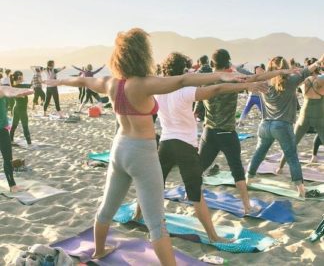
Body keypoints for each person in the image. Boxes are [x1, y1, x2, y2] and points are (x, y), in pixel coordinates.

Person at [45, 28, 250, 264]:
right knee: (156, 223)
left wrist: (58, 80)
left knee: (106, 208)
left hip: (119, 148)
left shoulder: (110, 83)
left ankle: (99, 251)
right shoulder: (144, 84)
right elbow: (183, 80)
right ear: (143, 55)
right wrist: (220, 76)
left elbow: (81, 80)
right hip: (142, 152)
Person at [135, 52, 267, 242]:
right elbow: (217, 89)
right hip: (185, 146)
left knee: (154, 186)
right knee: (195, 194)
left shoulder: (158, 91)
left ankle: (137, 216)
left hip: (165, 143)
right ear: (183, 71)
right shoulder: (186, 91)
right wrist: (247, 85)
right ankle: (213, 236)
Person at [198, 49, 299, 211]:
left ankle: (189, 196)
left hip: (209, 132)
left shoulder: (205, 80)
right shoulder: (234, 79)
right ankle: (246, 206)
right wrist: (282, 71)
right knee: (237, 172)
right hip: (227, 133)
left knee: (198, 169)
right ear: (228, 63)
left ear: (212, 64)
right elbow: (258, 77)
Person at [246, 55, 324, 197]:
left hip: (265, 125)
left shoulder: (264, 82)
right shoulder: (290, 81)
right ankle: (301, 189)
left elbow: (249, 78)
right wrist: (319, 61)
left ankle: (248, 179)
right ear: (286, 69)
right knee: (292, 156)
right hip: (282, 125)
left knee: (259, 153)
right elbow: (308, 70)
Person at [276, 56, 324, 171]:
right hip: (319, 115)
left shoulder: (303, 81)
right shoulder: (321, 80)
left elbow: (292, 76)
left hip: (304, 114)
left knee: (292, 142)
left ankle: (280, 167)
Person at [0, 85, 33, 192]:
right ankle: (12, 186)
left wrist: (20, 91)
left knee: (8, 158)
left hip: (3, 129)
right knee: (7, 158)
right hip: (2, 130)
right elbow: (8, 91)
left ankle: (12, 186)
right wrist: (18, 92)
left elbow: (9, 90)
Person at [9, 71, 33, 145]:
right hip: (21, 109)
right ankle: (29, 143)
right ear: (19, 77)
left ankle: (10, 139)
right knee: (25, 126)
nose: (23, 77)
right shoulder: (21, 86)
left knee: (14, 125)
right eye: (22, 76)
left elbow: (30, 85)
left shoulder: (14, 86)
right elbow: (31, 86)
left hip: (16, 108)